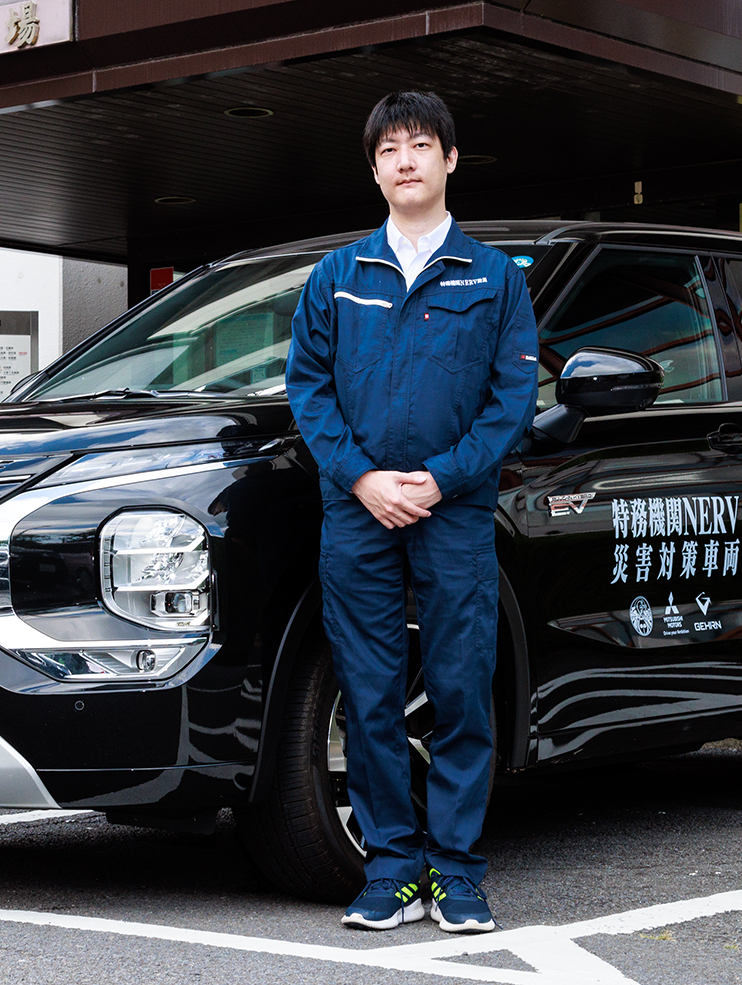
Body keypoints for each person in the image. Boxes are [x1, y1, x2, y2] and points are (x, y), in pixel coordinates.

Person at [285, 91, 538, 933]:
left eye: (420, 145)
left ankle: (457, 872)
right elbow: (308, 389)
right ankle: (391, 866)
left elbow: (511, 400)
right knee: (369, 692)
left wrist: (440, 479)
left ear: (450, 159)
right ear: (374, 169)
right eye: (389, 149)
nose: (405, 160)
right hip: (357, 512)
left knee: (462, 688)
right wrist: (362, 479)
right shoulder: (337, 277)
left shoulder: (495, 278)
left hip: (453, 512)